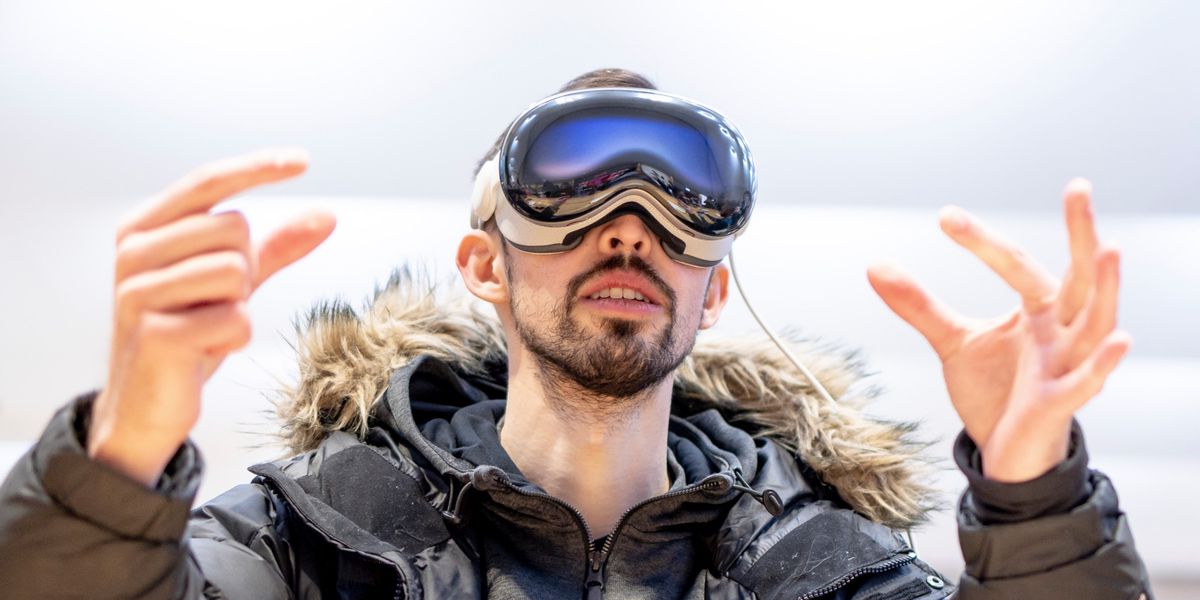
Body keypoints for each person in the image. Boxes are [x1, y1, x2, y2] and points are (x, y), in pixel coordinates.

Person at [0, 68, 1152, 599]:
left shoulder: (832, 580)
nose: (629, 231)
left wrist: (1032, 492)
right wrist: (118, 465)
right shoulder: (304, 550)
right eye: (569, 187)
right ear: (481, 267)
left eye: (677, 205)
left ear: (711, 293)